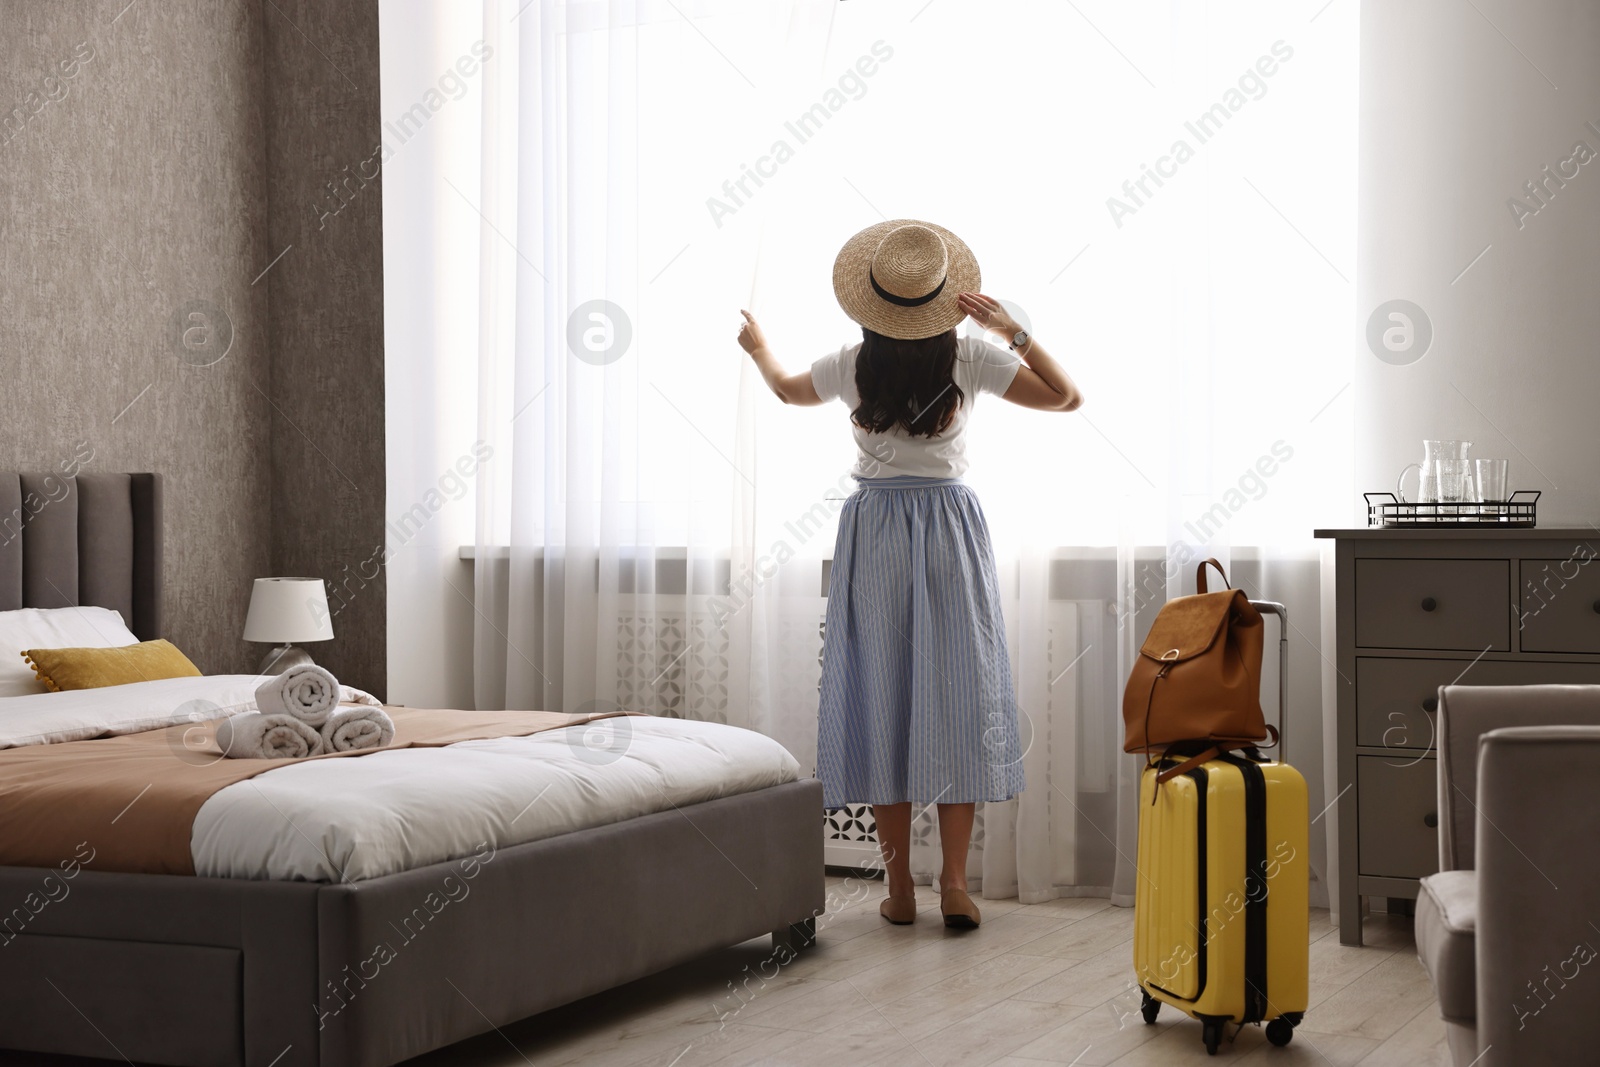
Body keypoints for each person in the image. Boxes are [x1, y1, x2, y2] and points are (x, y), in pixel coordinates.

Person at [737, 219, 1083, 929]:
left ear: (872, 303)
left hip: (876, 532)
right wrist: (1013, 331)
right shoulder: (973, 362)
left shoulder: (850, 365)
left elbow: (785, 391)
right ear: (939, 299)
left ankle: (900, 890)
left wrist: (759, 348)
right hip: (950, 532)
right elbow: (1066, 396)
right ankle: (954, 883)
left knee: (881, 699)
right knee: (960, 696)